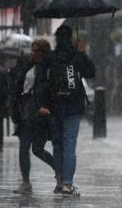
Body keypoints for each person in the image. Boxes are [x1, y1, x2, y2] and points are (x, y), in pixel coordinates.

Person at [35, 24, 96, 197]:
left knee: (57, 144)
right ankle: (68, 185)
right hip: (73, 106)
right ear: (70, 38)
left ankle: (59, 181)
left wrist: (42, 104)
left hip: (53, 107)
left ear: (56, 39)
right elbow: (91, 72)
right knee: (70, 145)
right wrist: (82, 51)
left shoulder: (49, 58)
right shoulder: (76, 56)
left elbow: (39, 82)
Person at [9, 39, 55, 194]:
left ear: (44, 52)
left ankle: (61, 173)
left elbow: (48, 89)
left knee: (37, 149)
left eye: (37, 50)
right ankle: (26, 182)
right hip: (27, 110)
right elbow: (18, 84)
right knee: (24, 147)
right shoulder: (28, 66)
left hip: (41, 112)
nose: (33, 53)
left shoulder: (49, 68)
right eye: (32, 50)